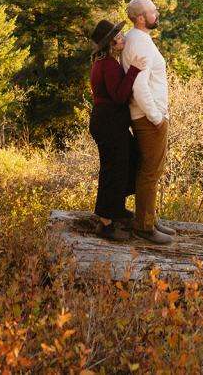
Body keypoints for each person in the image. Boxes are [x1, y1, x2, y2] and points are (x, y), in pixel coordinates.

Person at [121, 0, 175, 245]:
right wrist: (156, 117)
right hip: (147, 118)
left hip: (147, 116)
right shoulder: (139, 43)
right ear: (141, 18)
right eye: (153, 11)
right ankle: (143, 227)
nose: (157, 13)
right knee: (150, 172)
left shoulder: (137, 39)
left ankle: (148, 218)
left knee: (152, 170)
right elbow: (139, 85)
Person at [88, 19, 143, 241]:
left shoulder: (104, 62)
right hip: (108, 122)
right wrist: (134, 71)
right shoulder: (108, 64)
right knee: (113, 169)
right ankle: (106, 222)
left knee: (130, 159)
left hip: (109, 122)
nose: (122, 38)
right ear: (109, 43)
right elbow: (119, 96)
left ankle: (117, 208)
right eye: (117, 36)